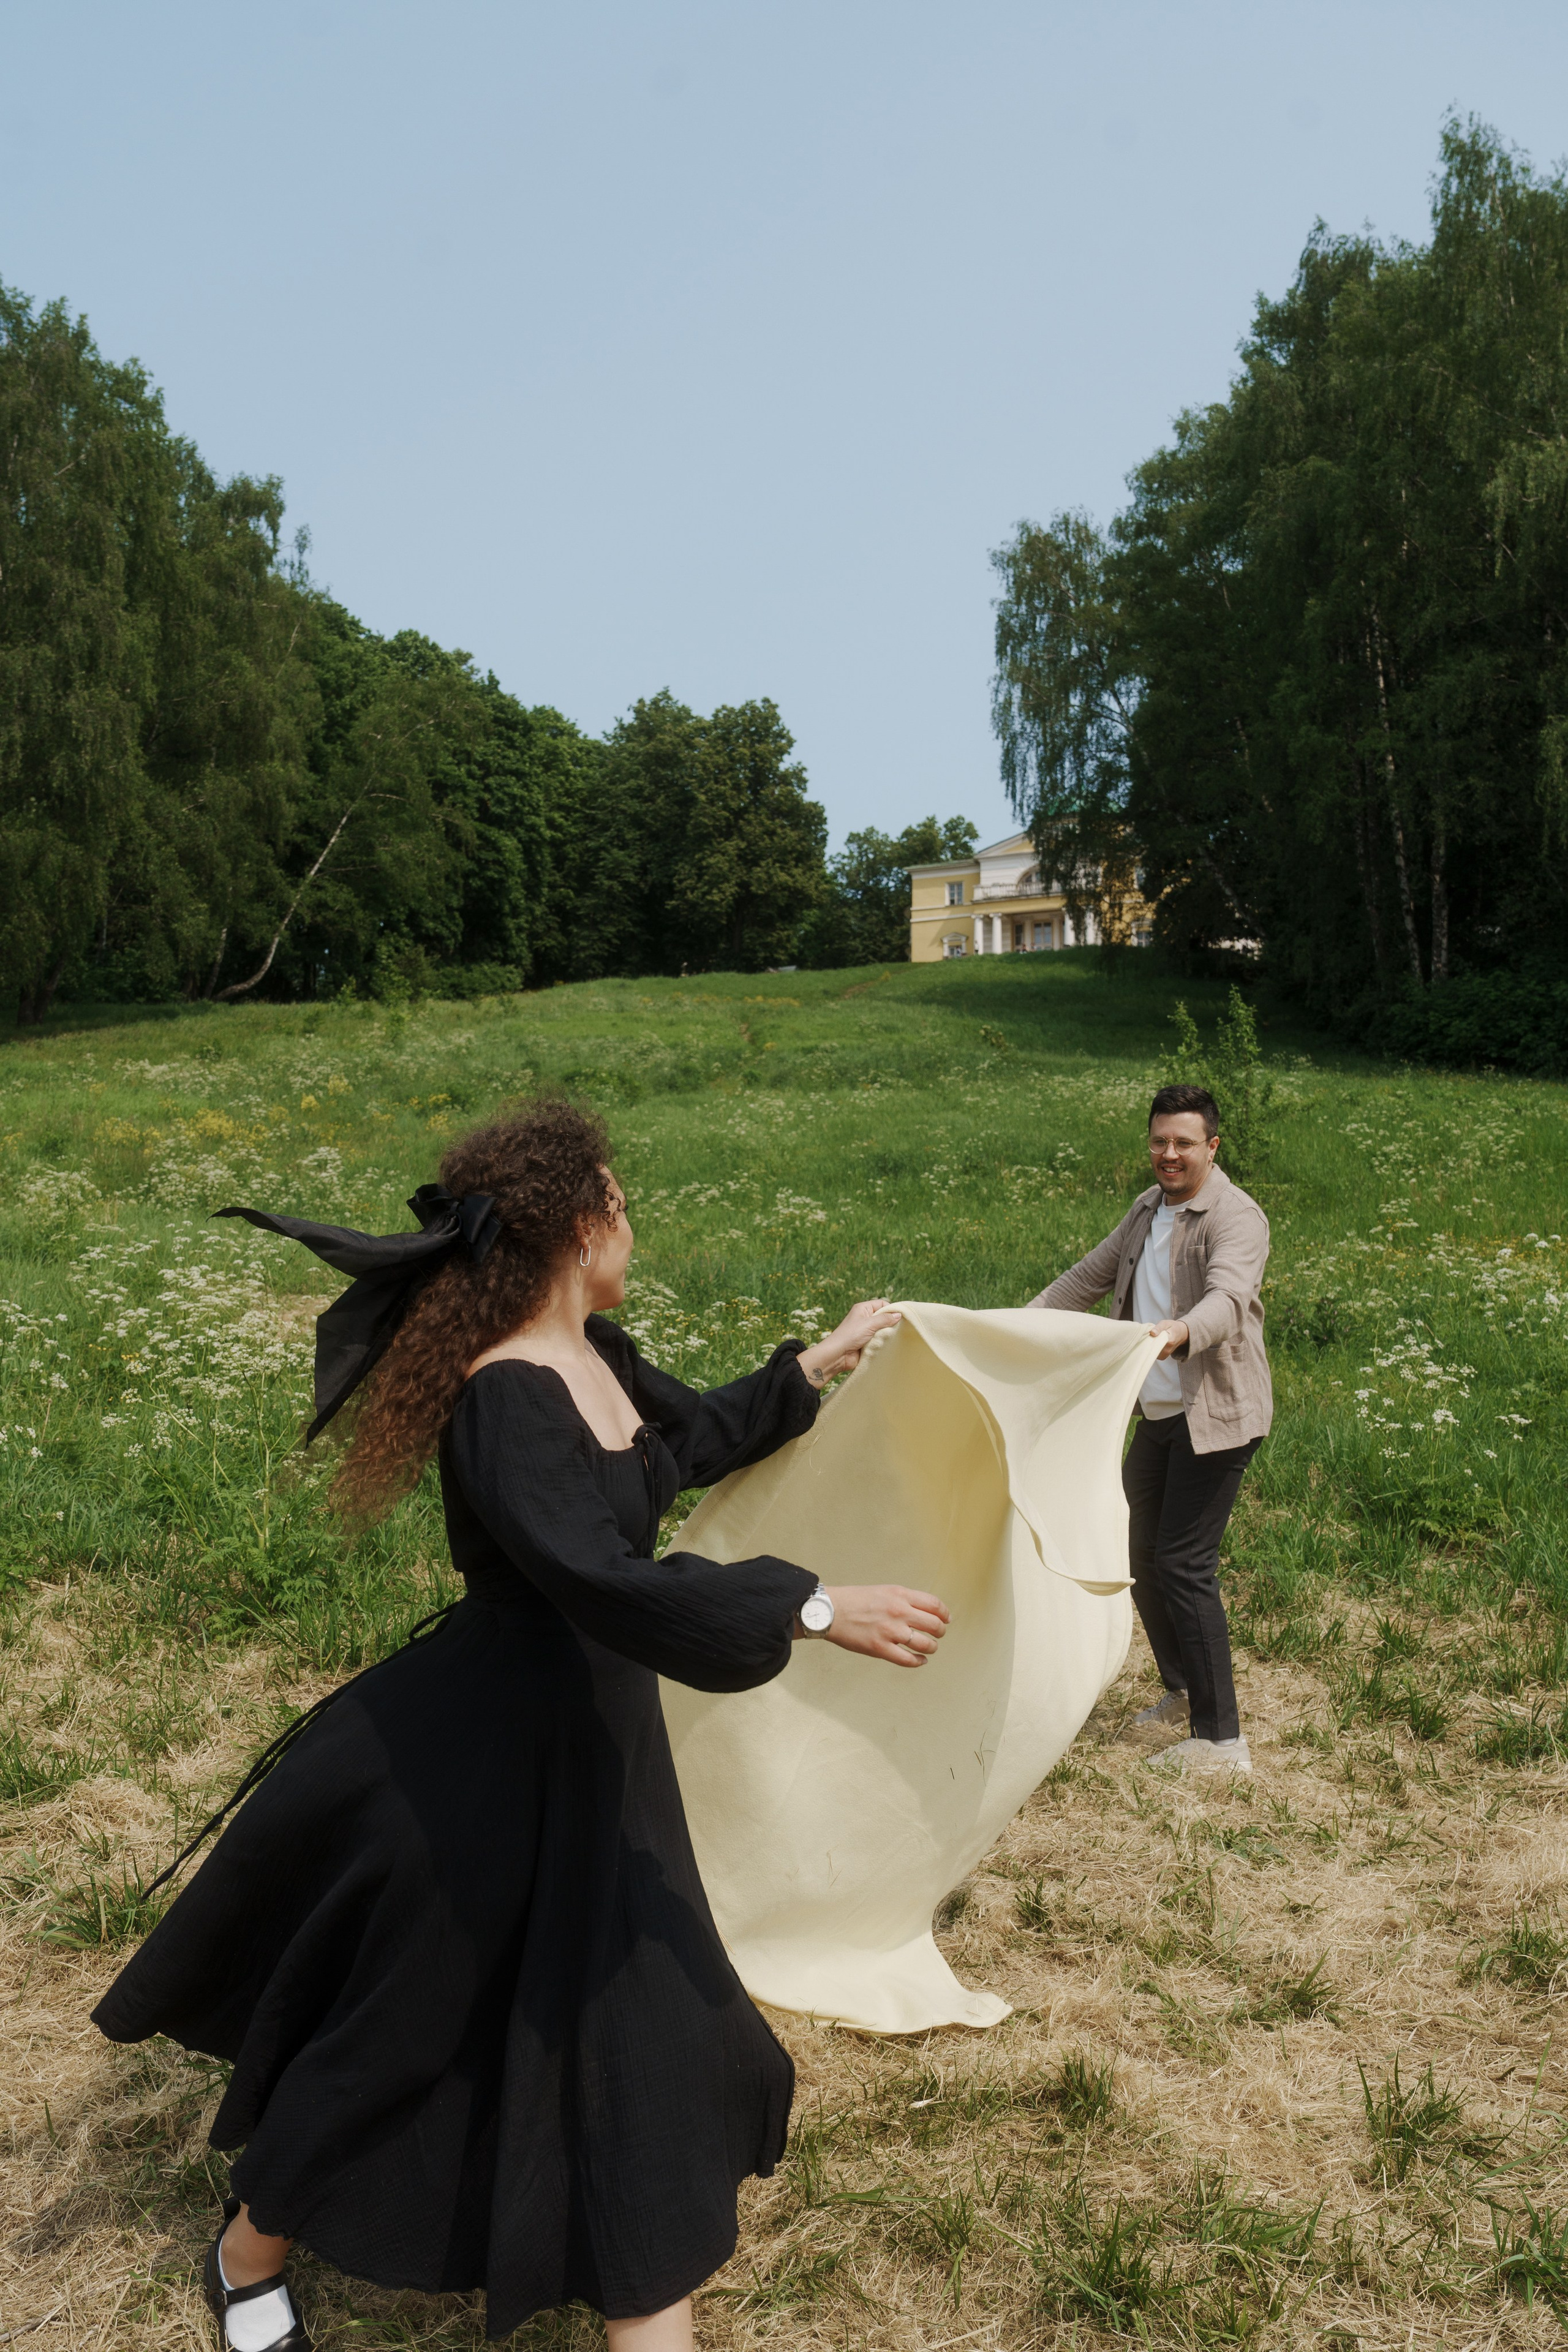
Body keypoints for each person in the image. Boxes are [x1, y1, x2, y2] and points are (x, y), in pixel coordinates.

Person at [93, 1101, 950, 2352]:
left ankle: (634, 2275)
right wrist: (809, 1603)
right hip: (479, 1765)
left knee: (645, 2042)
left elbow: (680, 1445)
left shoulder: (598, 1356)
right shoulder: (504, 1399)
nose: (634, 1221)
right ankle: (244, 2254)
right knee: (402, 2032)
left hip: (598, 1757)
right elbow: (596, 1575)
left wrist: (808, 1365)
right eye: (622, 1199)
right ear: (580, 1225)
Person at [1026, 1082, 1270, 1776]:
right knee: (1136, 1552)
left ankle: (1221, 1741)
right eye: (1159, 1141)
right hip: (1159, 1415)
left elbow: (1227, 1299)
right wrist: (1007, 1330)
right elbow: (1082, 1282)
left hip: (1216, 1418)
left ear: (1211, 1146)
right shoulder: (1145, 1210)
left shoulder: (1235, 1216)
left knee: (1185, 1564)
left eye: (1183, 1143)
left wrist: (1178, 1332)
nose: (1169, 1154)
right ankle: (1182, 1686)